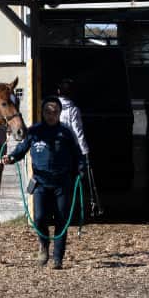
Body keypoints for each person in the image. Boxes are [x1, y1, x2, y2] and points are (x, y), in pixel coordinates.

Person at [0, 96, 85, 269]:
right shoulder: (34, 131)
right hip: (40, 183)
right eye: (47, 111)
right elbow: (21, 149)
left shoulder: (66, 133)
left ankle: (58, 258)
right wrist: (11, 157)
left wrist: (81, 169)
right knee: (39, 218)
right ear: (42, 112)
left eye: (55, 111)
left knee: (62, 221)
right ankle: (44, 246)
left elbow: (78, 154)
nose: (51, 114)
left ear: (60, 113)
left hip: (62, 183)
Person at [57, 78, 102, 216]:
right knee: (79, 177)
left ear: (58, 92)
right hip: (72, 148)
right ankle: (81, 207)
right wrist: (85, 150)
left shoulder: (53, 108)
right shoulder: (73, 110)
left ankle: (60, 209)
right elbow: (78, 131)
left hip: (58, 147)